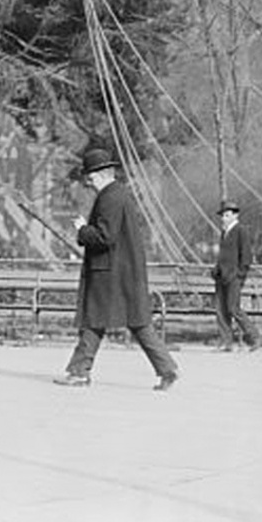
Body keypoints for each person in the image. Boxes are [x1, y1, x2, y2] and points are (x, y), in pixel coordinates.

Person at [53, 146, 178, 392]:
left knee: (94, 320)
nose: (88, 183)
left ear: (98, 175)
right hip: (123, 271)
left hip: (108, 273)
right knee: (137, 321)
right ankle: (167, 369)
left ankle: (79, 373)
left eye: (88, 178)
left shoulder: (109, 197)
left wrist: (82, 229)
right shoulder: (119, 194)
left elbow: (105, 236)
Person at [211, 199, 261, 351]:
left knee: (233, 308)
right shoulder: (224, 233)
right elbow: (224, 255)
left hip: (234, 277)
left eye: (226, 215)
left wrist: (240, 274)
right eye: (222, 215)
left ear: (234, 216)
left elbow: (246, 256)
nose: (223, 218)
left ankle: (254, 336)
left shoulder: (241, 230)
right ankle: (226, 342)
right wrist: (216, 269)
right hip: (221, 276)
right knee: (220, 309)